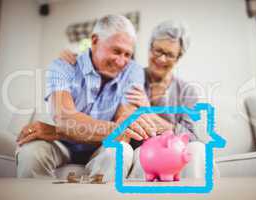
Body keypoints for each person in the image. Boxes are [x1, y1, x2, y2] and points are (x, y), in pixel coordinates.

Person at [59, 20, 212, 179]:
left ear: (179, 57)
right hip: (137, 148)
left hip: (174, 150)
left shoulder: (187, 92)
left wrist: (149, 113)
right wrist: (75, 60)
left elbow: (193, 137)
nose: (161, 58)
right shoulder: (129, 76)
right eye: (157, 51)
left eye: (169, 55)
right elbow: (98, 61)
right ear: (150, 48)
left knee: (198, 150)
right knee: (140, 155)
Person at [16, 14, 160, 181]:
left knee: (120, 150)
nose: (122, 61)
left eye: (128, 54)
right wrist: (66, 127)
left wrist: (57, 131)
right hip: (63, 147)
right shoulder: (63, 66)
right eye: (116, 51)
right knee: (31, 151)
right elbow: (65, 118)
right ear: (94, 40)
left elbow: (124, 131)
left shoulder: (133, 71)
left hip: (101, 147)